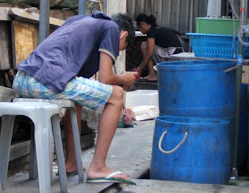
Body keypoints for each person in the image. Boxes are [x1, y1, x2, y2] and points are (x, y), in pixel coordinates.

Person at [12, 11, 139, 184]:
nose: (115, 53)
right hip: (45, 80)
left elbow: (80, 84)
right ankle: (98, 167)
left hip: (22, 79)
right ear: (123, 34)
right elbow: (106, 78)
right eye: (120, 48)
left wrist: (117, 81)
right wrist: (123, 79)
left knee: (78, 101)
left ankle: (71, 163)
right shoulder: (111, 27)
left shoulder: (79, 21)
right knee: (116, 96)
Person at [134, 14, 182, 81]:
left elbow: (149, 54)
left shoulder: (151, 32)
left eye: (139, 29)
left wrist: (140, 69)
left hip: (171, 56)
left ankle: (152, 75)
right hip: (179, 55)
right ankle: (154, 74)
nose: (140, 31)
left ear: (142, 24)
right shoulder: (157, 28)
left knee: (144, 46)